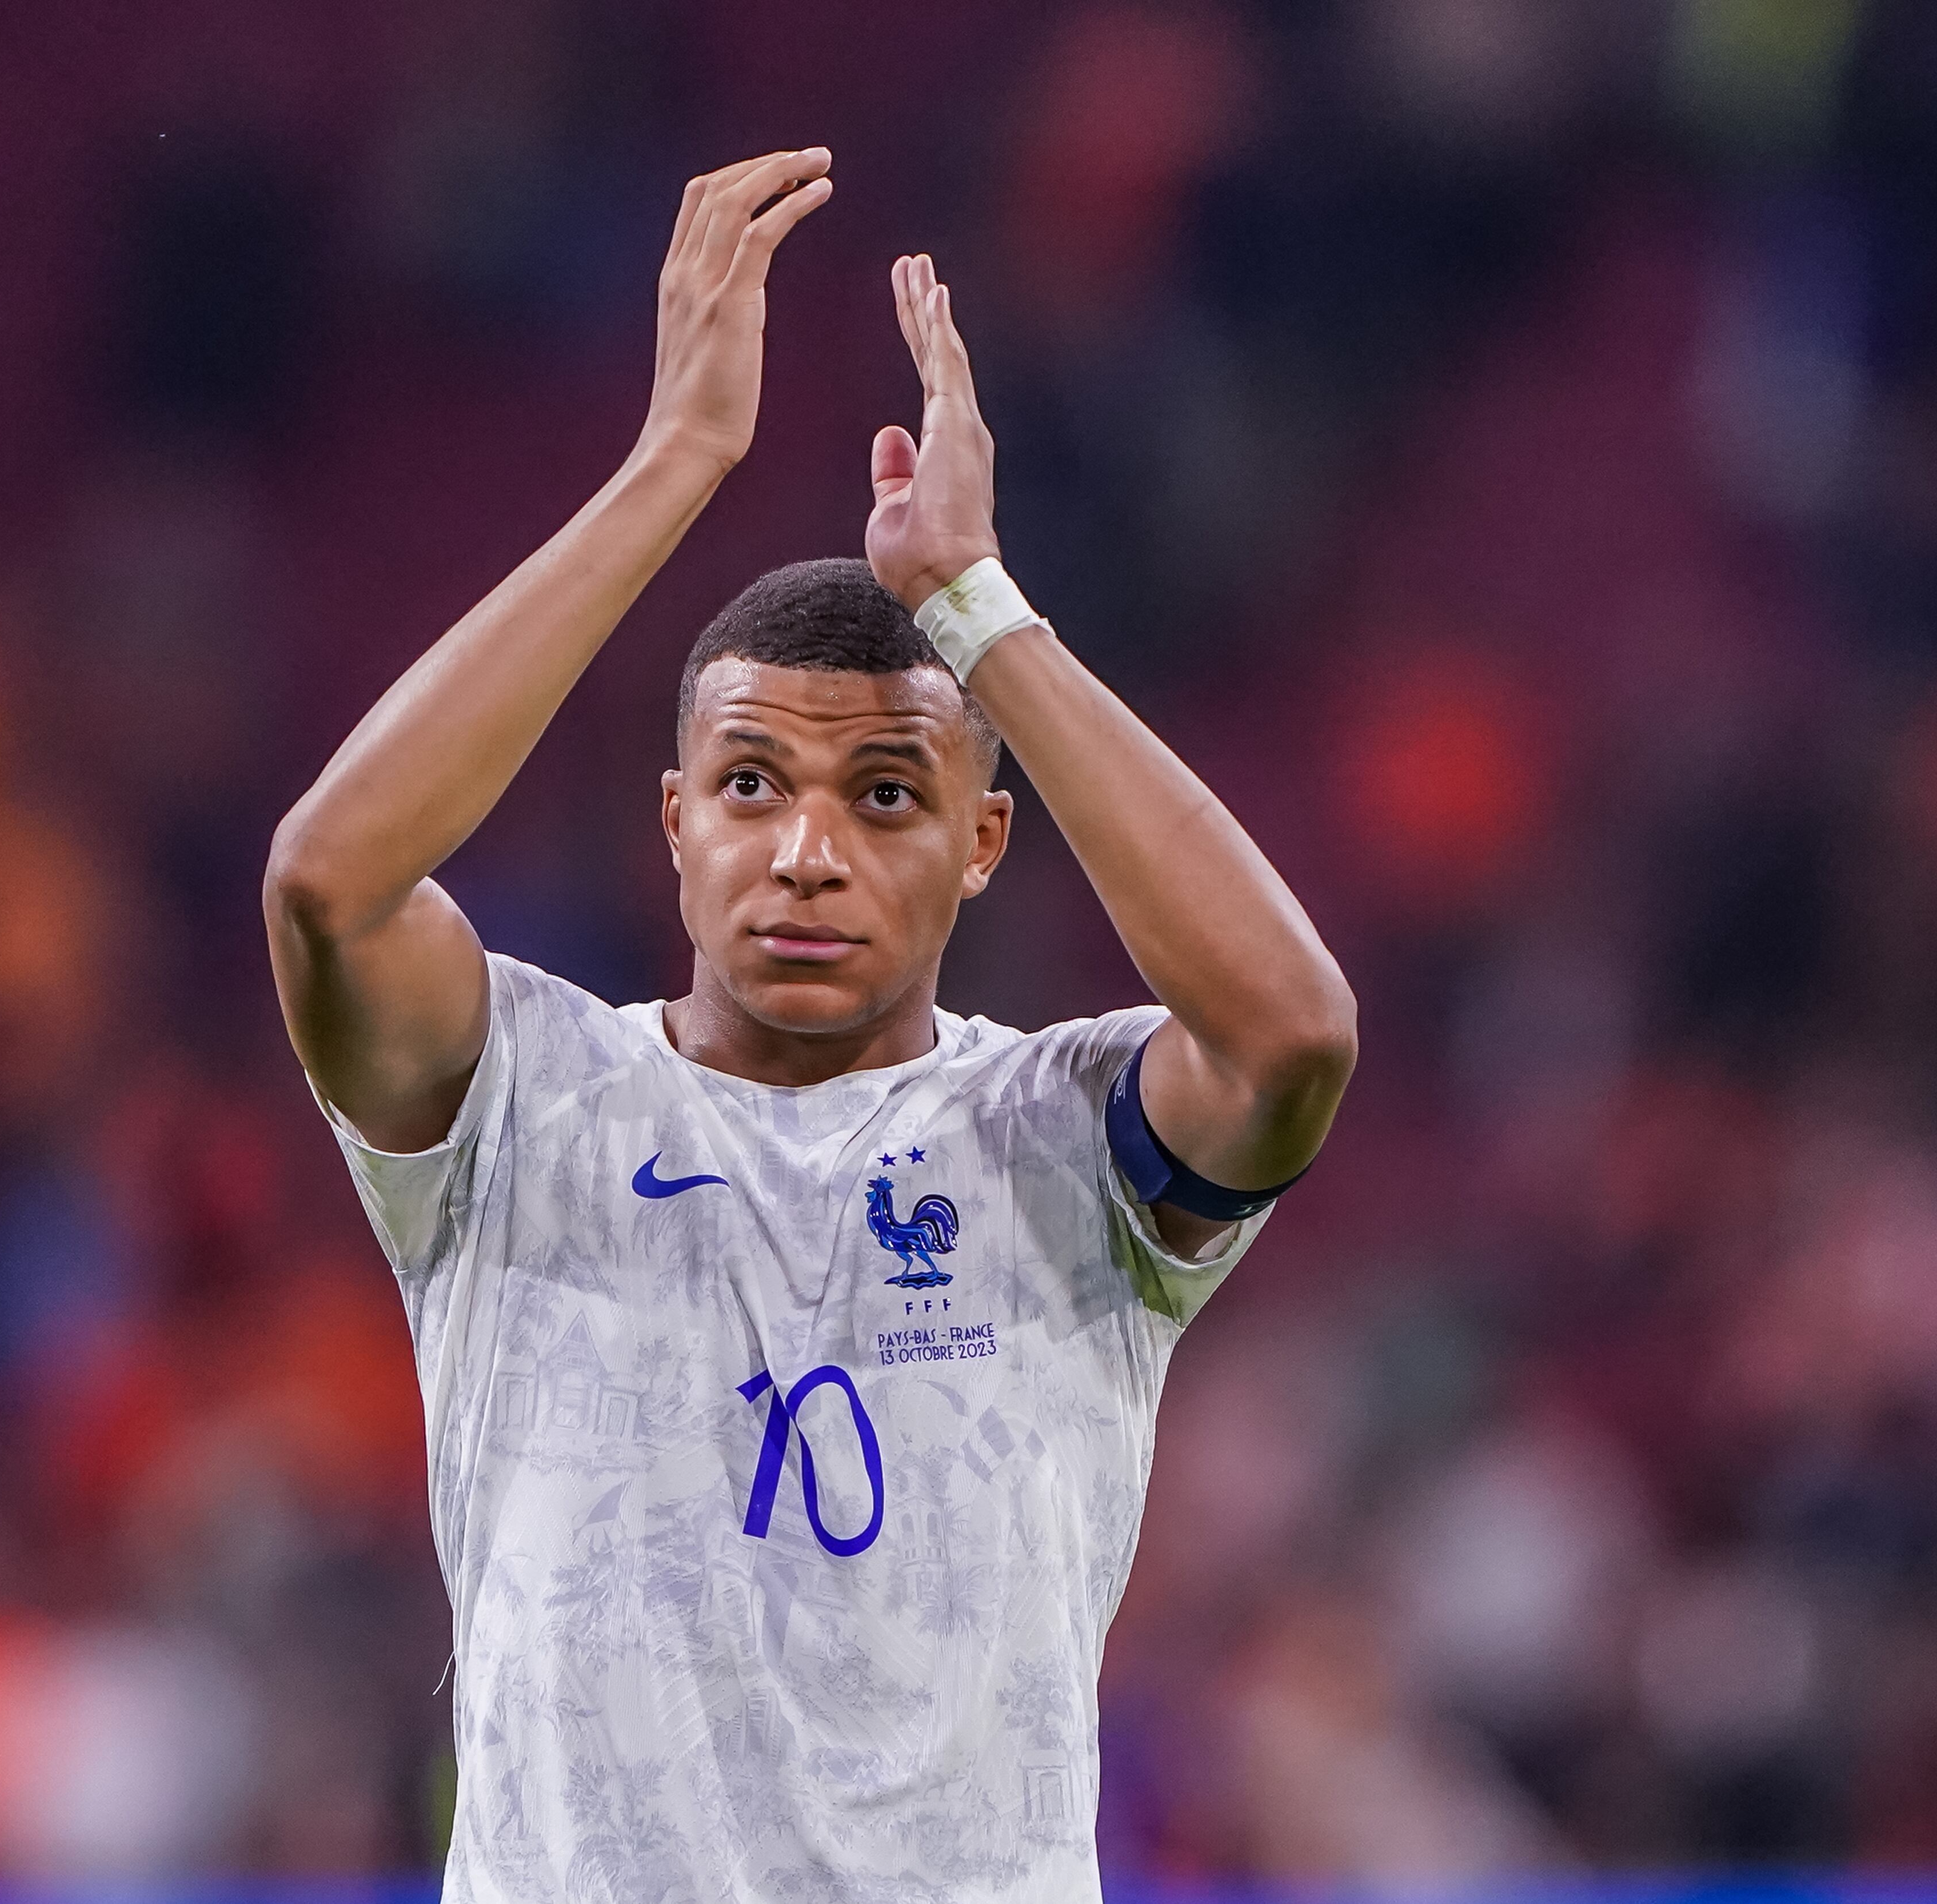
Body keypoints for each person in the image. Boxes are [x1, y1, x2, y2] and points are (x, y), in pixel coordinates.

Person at [264, 146, 1356, 1903]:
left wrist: (977, 607)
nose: (807, 851)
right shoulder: (521, 1091)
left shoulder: (1060, 1133)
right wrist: (672, 466)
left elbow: (1293, 1034)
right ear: (677, 820)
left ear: (984, 839)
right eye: (753, 783)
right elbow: (328, 884)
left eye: (887, 794)